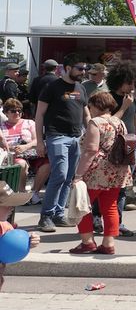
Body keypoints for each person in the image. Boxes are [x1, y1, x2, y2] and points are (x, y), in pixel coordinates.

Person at [69, 92, 131, 255]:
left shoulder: (95, 122)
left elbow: (91, 150)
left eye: (91, 106)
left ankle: (87, 242)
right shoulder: (119, 122)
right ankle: (108, 244)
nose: (89, 108)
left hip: (98, 170)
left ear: (97, 106)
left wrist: (78, 175)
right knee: (110, 206)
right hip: (118, 168)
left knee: (82, 204)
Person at [34, 54, 90, 233]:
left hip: (76, 138)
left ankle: (58, 214)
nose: (83, 72)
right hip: (56, 136)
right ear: (67, 68)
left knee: (68, 178)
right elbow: (39, 115)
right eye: (80, 68)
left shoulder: (81, 88)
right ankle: (46, 216)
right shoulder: (52, 87)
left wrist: (91, 134)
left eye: (84, 69)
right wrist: (39, 141)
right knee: (59, 174)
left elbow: (86, 115)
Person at [104, 61, 136, 237]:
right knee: (105, 186)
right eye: (129, 82)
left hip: (128, 148)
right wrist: (124, 107)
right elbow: (107, 123)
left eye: (135, 82)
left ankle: (117, 222)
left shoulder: (134, 101)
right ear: (119, 81)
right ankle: (99, 217)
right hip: (110, 147)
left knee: (122, 188)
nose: (132, 86)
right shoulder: (108, 99)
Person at [0, 181, 42, 310]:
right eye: (7, 205)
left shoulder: (5, 226)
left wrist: (29, 239)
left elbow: (14, 239)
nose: (12, 208)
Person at [1, 99, 44, 197]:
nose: (17, 113)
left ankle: (34, 193)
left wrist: (26, 146)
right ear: (6, 113)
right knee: (21, 163)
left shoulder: (30, 123)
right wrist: (9, 149)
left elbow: (37, 140)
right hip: (11, 156)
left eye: (19, 110)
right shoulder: (1, 126)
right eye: (13, 111)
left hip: (31, 153)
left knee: (47, 164)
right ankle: (21, 193)